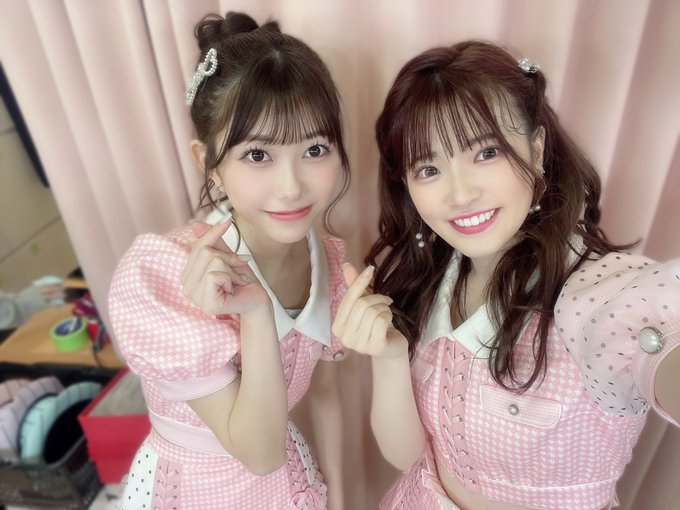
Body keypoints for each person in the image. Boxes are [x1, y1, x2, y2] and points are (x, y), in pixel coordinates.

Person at [332, 41, 680, 510]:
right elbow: (409, 457)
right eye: (429, 168)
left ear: (536, 150)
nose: (460, 194)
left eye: (486, 152)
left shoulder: (591, 295)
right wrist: (390, 357)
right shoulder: (432, 280)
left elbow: (655, 332)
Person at [108, 11, 349, 509]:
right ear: (209, 164)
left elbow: (327, 394)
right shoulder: (165, 277)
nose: (291, 187)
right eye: (258, 155)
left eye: (315, 148)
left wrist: (340, 496)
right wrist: (256, 312)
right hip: (195, 490)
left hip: (292, 480)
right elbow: (258, 453)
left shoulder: (327, 259)